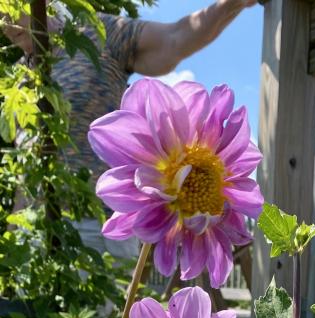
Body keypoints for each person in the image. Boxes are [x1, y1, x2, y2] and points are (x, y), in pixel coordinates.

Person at [1, 0, 258, 258]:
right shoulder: (20, 79)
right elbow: (25, 170)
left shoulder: (96, 32)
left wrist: (232, 4)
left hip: (97, 224)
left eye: (12, 6)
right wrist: (13, 236)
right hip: (33, 235)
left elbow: (175, 38)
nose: (6, 22)